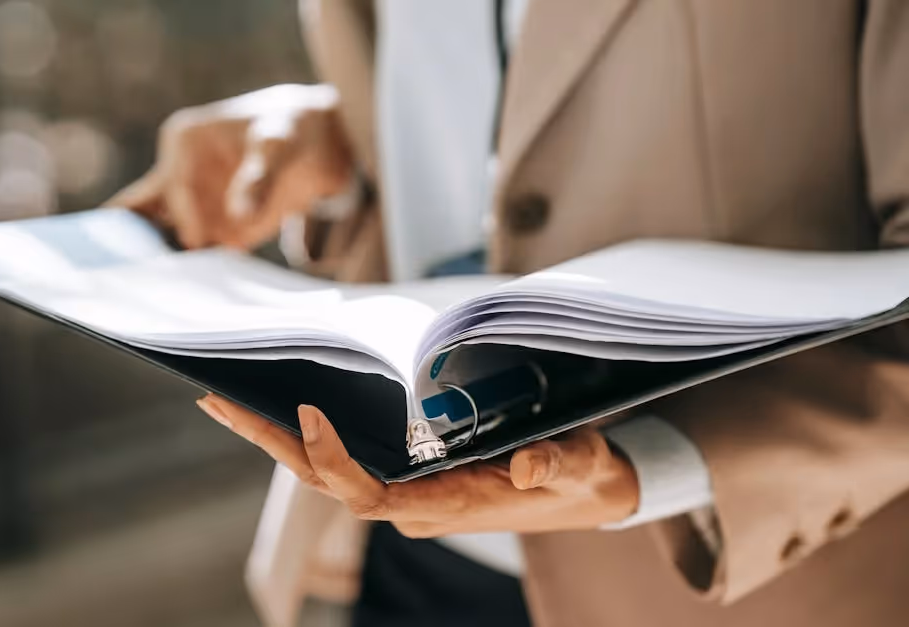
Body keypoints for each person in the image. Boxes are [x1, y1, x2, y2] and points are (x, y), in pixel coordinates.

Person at [108, 1, 909, 626]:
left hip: (730, 572)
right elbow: (489, 128)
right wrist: (335, 147)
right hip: (420, 554)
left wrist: (658, 467)